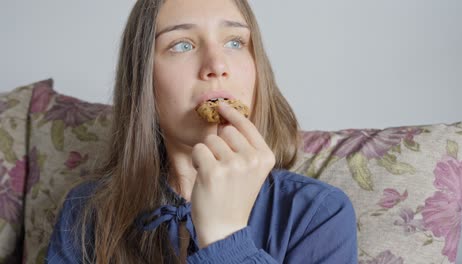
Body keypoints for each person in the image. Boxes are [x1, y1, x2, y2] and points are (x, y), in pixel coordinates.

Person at [46, 0, 358, 263]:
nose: (216, 64)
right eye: (182, 45)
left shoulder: (319, 213)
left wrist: (225, 236)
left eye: (235, 42)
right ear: (143, 81)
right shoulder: (87, 212)